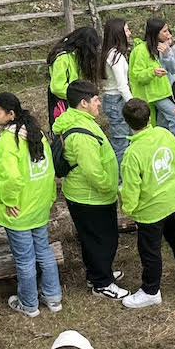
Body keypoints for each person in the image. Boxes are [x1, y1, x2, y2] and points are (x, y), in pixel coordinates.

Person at [0, 92, 61, 317]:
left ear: (11, 114)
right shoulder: (36, 133)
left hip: (19, 209)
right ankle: (53, 297)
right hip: (38, 204)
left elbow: (11, 177)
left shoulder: (9, 140)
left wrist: (8, 201)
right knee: (44, 251)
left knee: (25, 259)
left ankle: (29, 303)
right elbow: (48, 170)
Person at [120, 97, 175, 306]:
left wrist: (129, 208)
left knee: (150, 250)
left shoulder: (132, 155)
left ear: (127, 123)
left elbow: (130, 188)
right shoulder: (164, 134)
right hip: (174, 201)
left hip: (150, 212)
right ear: (149, 117)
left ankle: (151, 290)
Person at [52, 80, 126, 300]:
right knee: (103, 240)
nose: (99, 104)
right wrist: (110, 187)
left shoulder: (78, 120)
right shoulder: (81, 134)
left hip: (85, 195)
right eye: (95, 100)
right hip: (92, 197)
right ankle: (102, 284)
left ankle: (97, 274)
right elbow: (92, 172)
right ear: (83, 103)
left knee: (92, 239)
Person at [129, 17, 175, 135]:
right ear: (155, 33)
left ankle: (164, 145)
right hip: (154, 95)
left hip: (166, 91)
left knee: (161, 126)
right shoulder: (141, 50)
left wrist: (167, 55)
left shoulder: (164, 47)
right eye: (164, 31)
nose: (168, 34)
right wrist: (152, 72)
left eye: (168, 30)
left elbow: (173, 70)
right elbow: (137, 75)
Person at [47, 26, 100, 127]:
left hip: (75, 99)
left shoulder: (77, 56)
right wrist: (77, 94)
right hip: (63, 100)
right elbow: (57, 87)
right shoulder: (62, 58)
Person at [98, 17, 133, 166]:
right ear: (118, 33)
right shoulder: (116, 57)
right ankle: (119, 181)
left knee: (123, 140)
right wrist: (134, 104)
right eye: (126, 30)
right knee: (121, 144)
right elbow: (122, 86)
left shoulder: (109, 53)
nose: (129, 33)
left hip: (111, 99)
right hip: (116, 101)